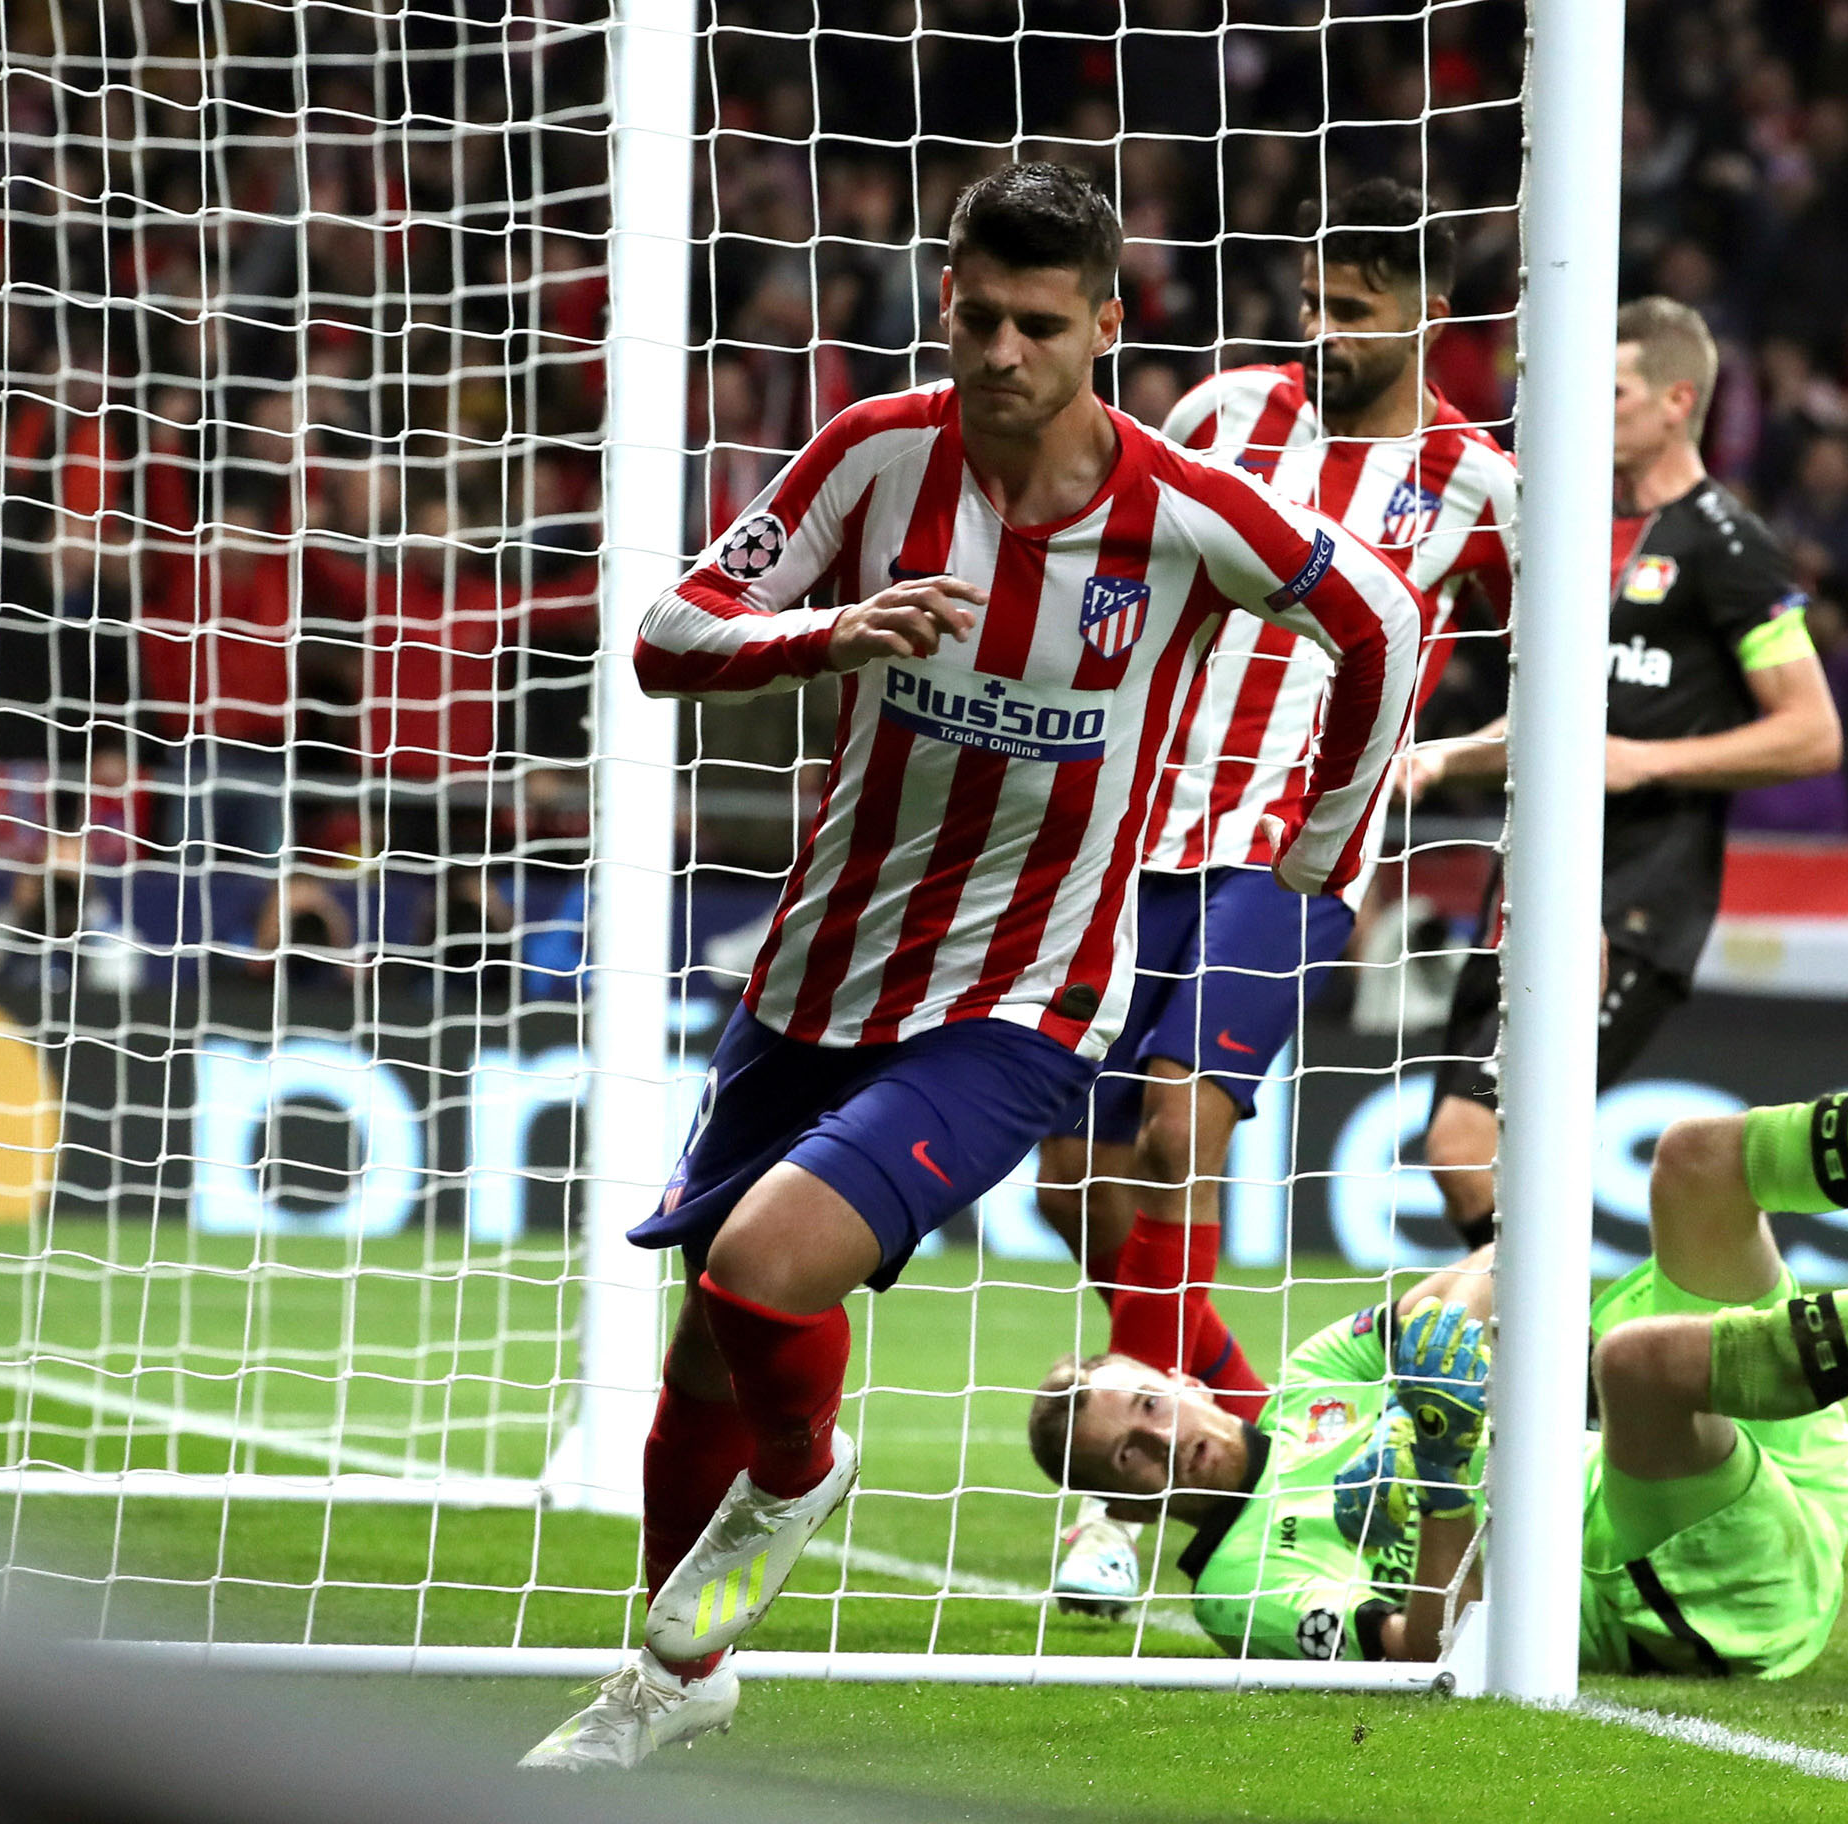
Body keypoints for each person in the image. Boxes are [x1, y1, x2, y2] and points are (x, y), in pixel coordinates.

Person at [518, 162, 1423, 1771]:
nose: (1001, 353)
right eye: (978, 318)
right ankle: (673, 1677)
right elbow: (667, 635)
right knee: (711, 1339)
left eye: (1039, 326)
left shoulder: (1184, 510)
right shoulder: (875, 459)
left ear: (1105, 327)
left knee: (763, 1268)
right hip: (820, 971)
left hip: (1026, 998)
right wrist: (833, 633)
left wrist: (1323, 839)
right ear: (947, 302)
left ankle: (800, 1479)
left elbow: (1382, 623)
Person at [1028, 969, 1848, 1674]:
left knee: (1695, 1161)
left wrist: (1447, 1334)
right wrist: (1446, 1478)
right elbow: (1423, 1648)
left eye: (1145, 1400)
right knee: (1636, 1360)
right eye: (1127, 1453)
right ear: (1121, 1501)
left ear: (1169, 1377)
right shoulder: (1237, 1593)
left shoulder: (1317, 1380)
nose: (1159, 1434)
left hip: (1756, 1453)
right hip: (1678, 1582)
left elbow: (1494, 1263)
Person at [1029, 177, 1521, 1618]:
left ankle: (1114, 1512)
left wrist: (1447, 754)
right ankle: (1253, 1423)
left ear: (1432, 313)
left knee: (1188, 1117)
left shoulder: (1480, 482)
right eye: (1314, 306)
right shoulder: (1226, 414)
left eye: (1355, 314)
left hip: (1299, 844)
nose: (1324, 337)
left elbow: (1566, 658)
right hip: (1140, 826)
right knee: (1075, 1186)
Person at [1401, 297, 1845, 1250]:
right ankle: (1564, 1376)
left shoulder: (1726, 546)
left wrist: (1646, 762)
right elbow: (1563, 716)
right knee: (1454, 1144)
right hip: (1523, 885)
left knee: (1476, 1139)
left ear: (1677, 402)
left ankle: (1567, 1381)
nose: (1589, 410)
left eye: (1612, 392)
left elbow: (1812, 733)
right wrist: (1446, 755)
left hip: (1633, 899)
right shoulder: (1576, 536)